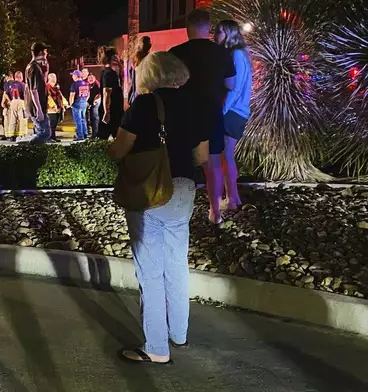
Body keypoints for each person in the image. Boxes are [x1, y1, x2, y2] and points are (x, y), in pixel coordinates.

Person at [109, 51, 209, 365]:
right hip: (183, 189)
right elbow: (203, 157)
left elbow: (119, 150)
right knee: (177, 264)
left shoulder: (143, 105)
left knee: (150, 272)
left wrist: (111, 147)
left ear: (149, 75)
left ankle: (156, 347)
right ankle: (179, 334)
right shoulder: (195, 104)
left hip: (149, 192)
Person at [170, 9, 236, 226]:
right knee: (213, 164)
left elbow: (168, 85)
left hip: (183, 114)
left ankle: (179, 212)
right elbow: (231, 85)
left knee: (181, 164)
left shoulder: (175, 52)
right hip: (211, 113)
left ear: (187, 28)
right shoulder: (222, 53)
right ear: (208, 28)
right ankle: (215, 212)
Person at [214, 20, 252, 211]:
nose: (216, 36)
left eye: (220, 32)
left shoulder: (236, 54)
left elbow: (235, 89)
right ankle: (233, 198)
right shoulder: (241, 54)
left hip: (233, 111)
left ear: (229, 34)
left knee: (226, 156)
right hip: (237, 111)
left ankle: (231, 199)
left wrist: (221, 112)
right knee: (226, 156)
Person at [19, 42, 51, 144]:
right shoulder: (34, 68)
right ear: (41, 52)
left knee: (41, 132)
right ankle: (26, 145)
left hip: (37, 105)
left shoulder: (33, 66)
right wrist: (39, 110)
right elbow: (33, 90)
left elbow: (42, 84)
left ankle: (36, 153)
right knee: (45, 133)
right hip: (37, 106)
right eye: (45, 51)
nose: (47, 53)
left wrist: (46, 71)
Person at [97, 46, 124, 140]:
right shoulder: (108, 73)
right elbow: (106, 93)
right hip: (111, 111)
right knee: (103, 138)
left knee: (117, 137)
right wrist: (106, 112)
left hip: (116, 110)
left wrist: (120, 65)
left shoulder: (112, 73)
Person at [2, 71, 27, 141]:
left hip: (13, 102)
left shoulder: (10, 84)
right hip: (21, 102)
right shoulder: (23, 85)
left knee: (12, 119)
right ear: (21, 77)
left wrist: (9, 100)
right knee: (22, 120)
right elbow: (26, 95)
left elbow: (5, 93)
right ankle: (22, 135)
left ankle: (11, 135)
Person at [128, 36, 152, 106]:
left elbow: (131, 79)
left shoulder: (134, 59)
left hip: (134, 96)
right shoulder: (149, 59)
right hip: (143, 96)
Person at [46, 73, 68, 143]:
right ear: (49, 78)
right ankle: (49, 138)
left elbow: (60, 96)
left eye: (55, 77)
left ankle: (53, 137)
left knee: (54, 124)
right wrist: (53, 105)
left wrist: (65, 103)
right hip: (50, 110)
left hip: (57, 109)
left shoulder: (56, 87)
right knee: (51, 125)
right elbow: (48, 98)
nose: (54, 79)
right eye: (52, 77)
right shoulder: (47, 87)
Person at [69, 69, 90, 141]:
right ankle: (85, 133)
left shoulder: (74, 85)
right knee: (83, 119)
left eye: (73, 75)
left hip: (76, 104)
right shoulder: (86, 83)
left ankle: (80, 135)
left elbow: (72, 96)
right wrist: (85, 101)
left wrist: (71, 104)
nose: (72, 77)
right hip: (83, 103)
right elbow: (88, 95)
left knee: (78, 120)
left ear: (76, 76)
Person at [87, 73, 101, 138]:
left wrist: (93, 101)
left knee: (95, 119)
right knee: (92, 119)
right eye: (89, 78)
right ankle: (94, 134)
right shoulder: (89, 86)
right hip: (91, 104)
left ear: (95, 78)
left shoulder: (97, 85)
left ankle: (95, 135)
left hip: (96, 104)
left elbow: (98, 94)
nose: (90, 79)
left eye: (92, 78)